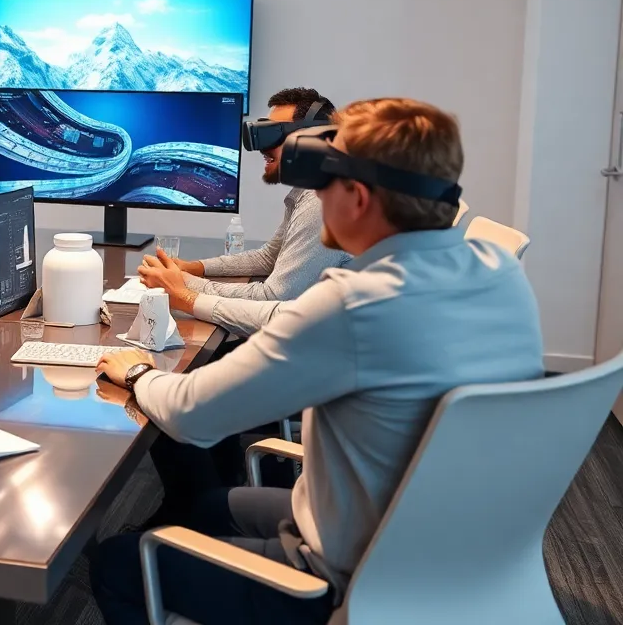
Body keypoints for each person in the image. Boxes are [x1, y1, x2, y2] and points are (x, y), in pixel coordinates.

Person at [90, 98, 544, 624]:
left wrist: (138, 370)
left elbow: (193, 414)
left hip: (344, 580)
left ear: (357, 196)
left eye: (323, 177)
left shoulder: (353, 304)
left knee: (116, 565)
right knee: (203, 507)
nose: (313, 194)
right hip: (440, 542)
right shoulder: (497, 272)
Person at [139, 88, 351, 338]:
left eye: (276, 134)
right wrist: (194, 267)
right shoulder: (309, 191)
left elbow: (273, 297)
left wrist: (183, 286)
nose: (264, 147)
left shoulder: (320, 203)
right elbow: (268, 258)